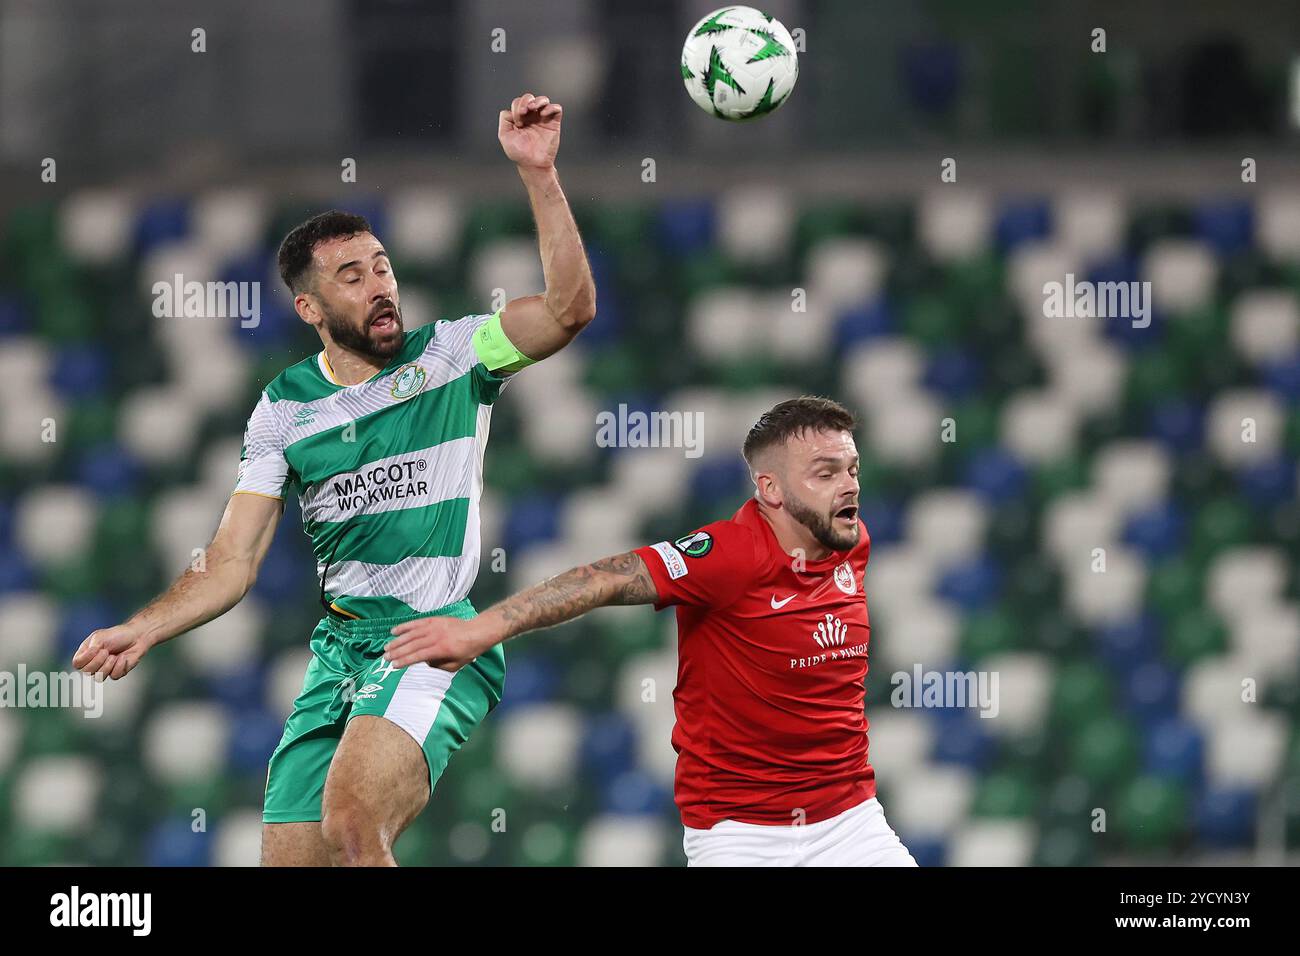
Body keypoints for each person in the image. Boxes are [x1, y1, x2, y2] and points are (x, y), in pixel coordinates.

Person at [72, 92, 596, 866]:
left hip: (433, 637)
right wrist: (144, 626)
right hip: (339, 653)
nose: (380, 285)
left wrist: (540, 175)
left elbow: (568, 309)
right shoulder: (283, 409)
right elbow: (232, 561)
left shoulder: (452, 356)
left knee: (354, 827)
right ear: (309, 305)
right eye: (352, 276)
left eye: (382, 267)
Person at [384, 396, 916, 866]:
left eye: (852, 469)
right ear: (770, 490)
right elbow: (604, 579)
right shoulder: (729, 555)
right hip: (739, 835)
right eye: (826, 473)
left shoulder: (853, 542)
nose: (849, 486)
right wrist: (480, 631)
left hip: (850, 820)